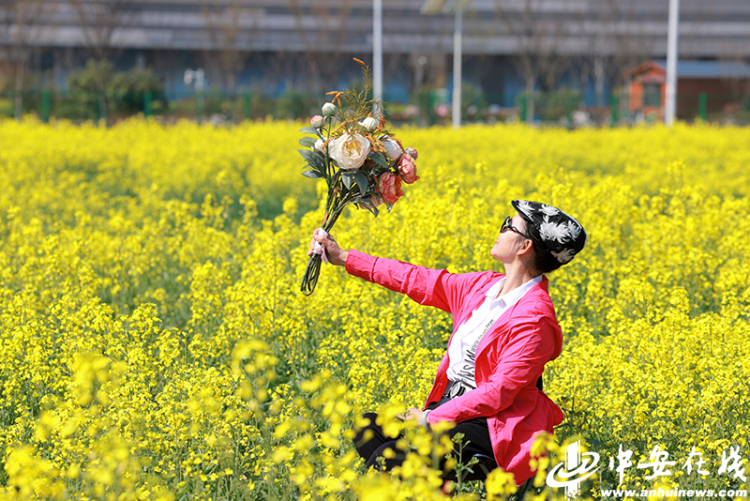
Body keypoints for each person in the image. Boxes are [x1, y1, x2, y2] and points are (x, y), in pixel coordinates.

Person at [308, 199, 587, 486]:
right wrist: (343, 257)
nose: (500, 229)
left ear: (524, 246)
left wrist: (430, 418)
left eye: (508, 225)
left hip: (491, 424)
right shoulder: (482, 287)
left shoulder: (535, 319)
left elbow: (498, 393)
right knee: (369, 427)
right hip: (452, 407)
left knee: (389, 457)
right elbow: (415, 279)